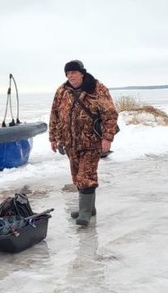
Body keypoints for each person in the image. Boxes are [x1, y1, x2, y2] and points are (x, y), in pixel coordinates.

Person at [49, 60, 119, 225]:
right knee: (76, 177)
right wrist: (53, 137)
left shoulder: (97, 88)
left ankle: (85, 213)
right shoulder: (62, 91)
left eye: (74, 72)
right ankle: (89, 208)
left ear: (82, 73)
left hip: (91, 142)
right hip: (70, 143)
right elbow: (55, 114)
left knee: (85, 176)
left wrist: (107, 138)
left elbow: (110, 114)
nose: (70, 76)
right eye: (68, 73)